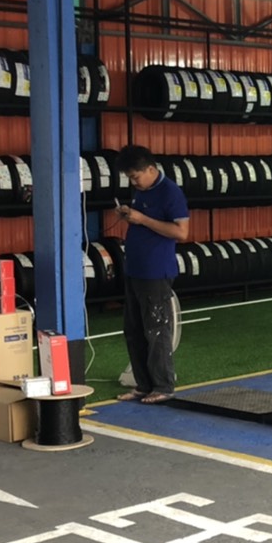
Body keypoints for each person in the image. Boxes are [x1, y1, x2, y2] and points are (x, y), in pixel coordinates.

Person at [112, 144, 189, 404]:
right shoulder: (141, 191)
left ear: (150, 169)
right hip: (134, 268)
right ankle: (143, 385)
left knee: (156, 330)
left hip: (155, 271)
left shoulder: (170, 192)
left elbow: (181, 232)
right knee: (133, 329)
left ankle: (163, 386)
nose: (134, 182)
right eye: (130, 178)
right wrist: (129, 216)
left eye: (136, 177)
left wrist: (142, 219)